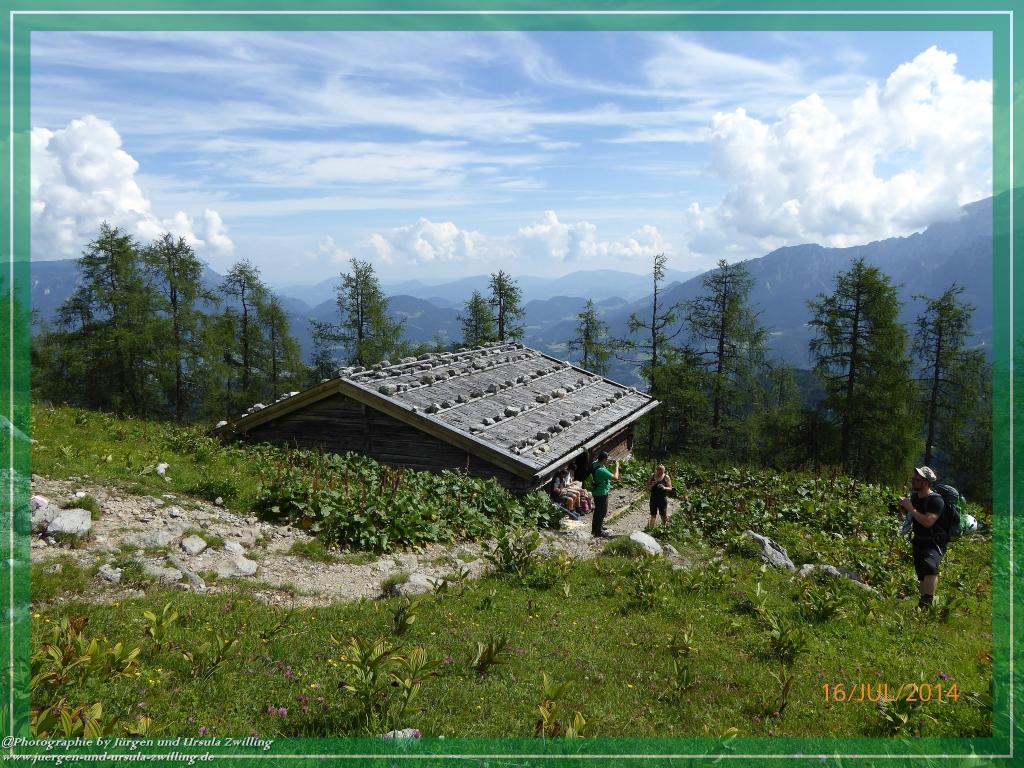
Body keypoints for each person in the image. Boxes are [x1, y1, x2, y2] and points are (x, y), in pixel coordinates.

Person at [898, 465, 946, 609]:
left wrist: (910, 508)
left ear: (925, 482)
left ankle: (927, 602)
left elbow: (927, 521)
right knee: (921, 573)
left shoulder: (936, 501)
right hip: (919, 540)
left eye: (916, 479)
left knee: (930, 567)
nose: (913, 481)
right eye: (913, 478)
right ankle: (923, 604)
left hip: (934, 541)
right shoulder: (914, 497)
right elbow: (913, 517)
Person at [590, 451, 619, 538]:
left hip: (596, 492)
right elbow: (615, 478)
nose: (608, 460)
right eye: (607, 459)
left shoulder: (595, 464)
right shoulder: (601, 470)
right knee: (601, 512)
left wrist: (607, 462)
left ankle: (596, 528)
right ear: (603, 459)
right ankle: (598, 531)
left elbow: (602, 464)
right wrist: (617, 467)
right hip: (601, 493)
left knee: (597, 511)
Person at [645, 464, 672, 529]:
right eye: (659, 472)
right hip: (653, 498)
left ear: (664, 471)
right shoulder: (652, 476)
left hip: (662, 498)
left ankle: (664, 529)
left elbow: (670, 488)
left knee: (663, 514)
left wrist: (664, 487)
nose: (660, 473)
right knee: (653, 514)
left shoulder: (666, 477)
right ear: (657, 470)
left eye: (662, 472)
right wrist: (652, 484)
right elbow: (647, 487)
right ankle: (651, 530)